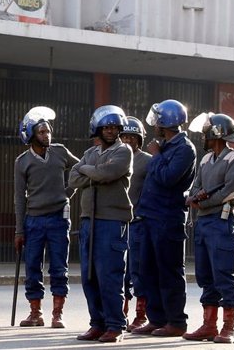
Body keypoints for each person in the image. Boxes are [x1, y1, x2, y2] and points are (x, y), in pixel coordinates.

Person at [132, 99, 196, 337]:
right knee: (148, 271)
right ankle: (157, 318)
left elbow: (168, 178)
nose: (154, 125)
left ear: (166, 122)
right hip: (149, 217)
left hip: (167, 218)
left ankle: (176, 321)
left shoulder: (184, 149)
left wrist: (156, 156)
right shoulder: (165, 146)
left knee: (169, 271)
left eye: (158, 120)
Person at [69, 105, 133, 343]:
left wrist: (87, 171)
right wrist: (93, 172)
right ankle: (97, 323)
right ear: (98, 128)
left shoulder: (123, 151)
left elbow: (108, 174)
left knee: (110, 275)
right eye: (106, 127)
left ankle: (115, 325)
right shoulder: (91, 153)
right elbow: (72, 178)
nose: (111, 131)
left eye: (115, 127)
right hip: (89, 221)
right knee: (89, 276)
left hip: (112, 221)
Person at [183, 113, 234, 344]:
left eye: (206, 134)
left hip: (221, 222)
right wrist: (193, 196)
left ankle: (228, 327)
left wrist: (203, 201)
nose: (203, 137)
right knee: (205, 275)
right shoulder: (205, 159)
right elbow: (196, 185)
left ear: (215, 134)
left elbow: (230, 191)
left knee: (223, 275)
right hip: (203, 222)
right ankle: (209, 325)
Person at [14, 106, 79, 329]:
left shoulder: (60, 151)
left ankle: (57, 314)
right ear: (31, 135)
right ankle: (35, 312)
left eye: (48, 131)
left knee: (59, 267)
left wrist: (68, 191)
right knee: (33, 267)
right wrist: (19, 231)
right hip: (32, 221)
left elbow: (80, 169)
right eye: (42, 132)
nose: (47, 135)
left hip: (59, 218)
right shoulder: (22, 161)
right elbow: (19, 198)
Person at [119, 116, 153, 332]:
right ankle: (120, 312)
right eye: (125, 136)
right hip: (117, 221)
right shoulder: (115, 158)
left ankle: (141, 314)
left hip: (139, 223)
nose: (129, 140)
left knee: (138, 269)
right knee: (118, 271)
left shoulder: (148, 161)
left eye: (133, 137)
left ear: (140, 139)